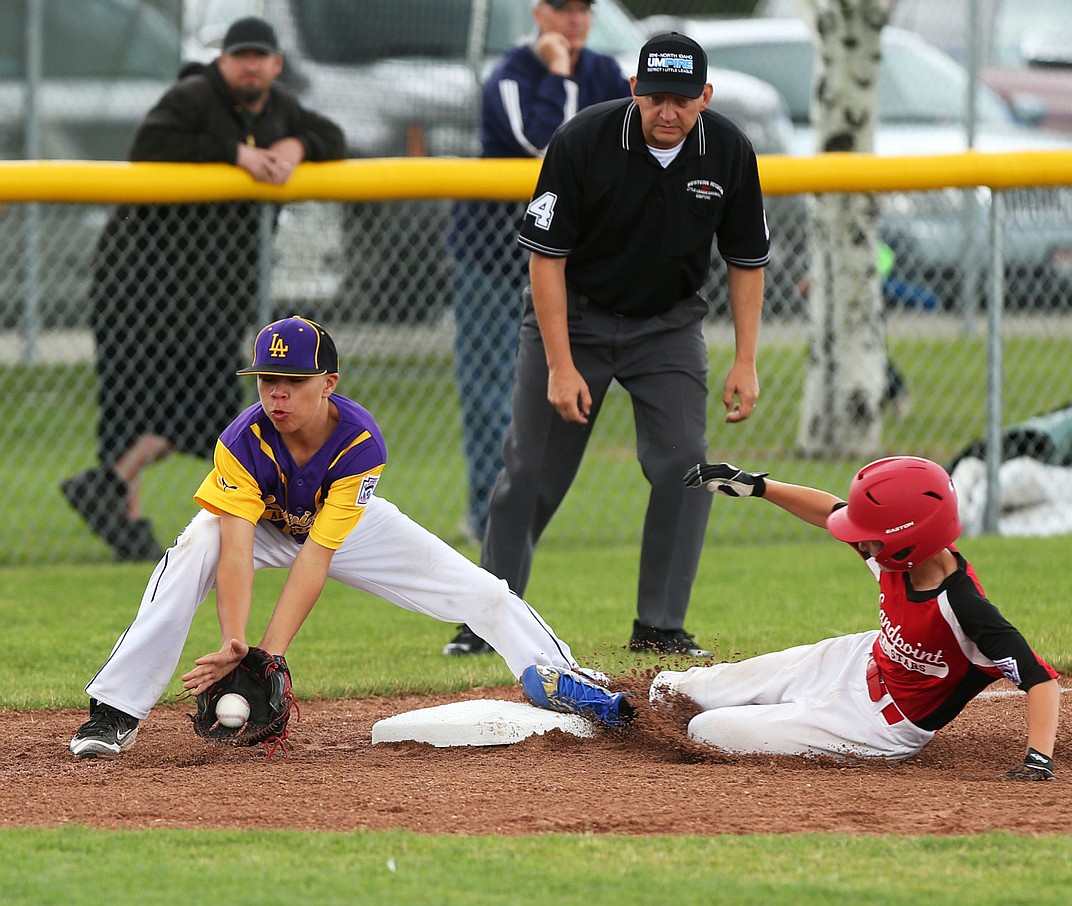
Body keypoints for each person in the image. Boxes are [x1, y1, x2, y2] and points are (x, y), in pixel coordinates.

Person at [69, 316, 626, 758]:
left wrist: (272, 656)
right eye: (268, 381)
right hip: (261, 528)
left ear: (329, 383)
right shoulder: (241, 441)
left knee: (479, 590)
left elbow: (316, 558)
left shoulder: (359, 442)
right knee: (196, 547)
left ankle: (559, 675)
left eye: (293, 382)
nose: (277, 395)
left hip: (340, 526)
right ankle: (115, 709)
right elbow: (235, 551)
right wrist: (237, 641)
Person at [472, 32, 770, 658]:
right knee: (529, 474)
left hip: (667, 327)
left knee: (686, 465)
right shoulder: (584, 139)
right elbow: (545, 261)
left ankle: (660, 627)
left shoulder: (730, 151)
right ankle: (489, 621)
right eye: (655, 97)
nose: (668, 112)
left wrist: (745, 360)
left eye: (682, 100)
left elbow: (746, 261)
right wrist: (559, 365)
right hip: (573, 321)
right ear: (633, 90)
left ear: (706, 98)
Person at [60, 16, 346, 562]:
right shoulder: (193, 96)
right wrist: (233, 154)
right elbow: (150, 142)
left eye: (260, 56)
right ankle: (128, 523)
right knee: (127, 406)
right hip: (138, 286)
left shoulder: (282, 107)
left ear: (276, 64)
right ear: (223, 61)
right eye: (240, 55)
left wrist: (296, 144)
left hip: (213, 297)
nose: (250, 65)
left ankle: (110, 484)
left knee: (209, 410)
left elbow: (334, 138)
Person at [609, 455, 1057, 777]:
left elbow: (1040, 680)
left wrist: (1039, 759)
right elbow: (829, 512)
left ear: (911, 539)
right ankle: (602, 700)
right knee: (681, 688)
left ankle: (631, 720)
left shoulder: (966, 609)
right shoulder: (896, 555)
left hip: (877, 727)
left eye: (871, 537)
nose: (860, 543)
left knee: (707, 729)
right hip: (855, 658)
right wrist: (759, 486)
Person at [443, 0, 629, 638]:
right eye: (563, 8)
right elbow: (544, 143)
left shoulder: (607, 70)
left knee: (538, 404)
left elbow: (624, 144)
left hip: (570, 263)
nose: (574, 20)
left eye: (583, 9)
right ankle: (481, 515)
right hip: (493, 259)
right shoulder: (513, 75)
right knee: (490, 392)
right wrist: (557, 75)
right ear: (538, 11)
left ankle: (509, 524)